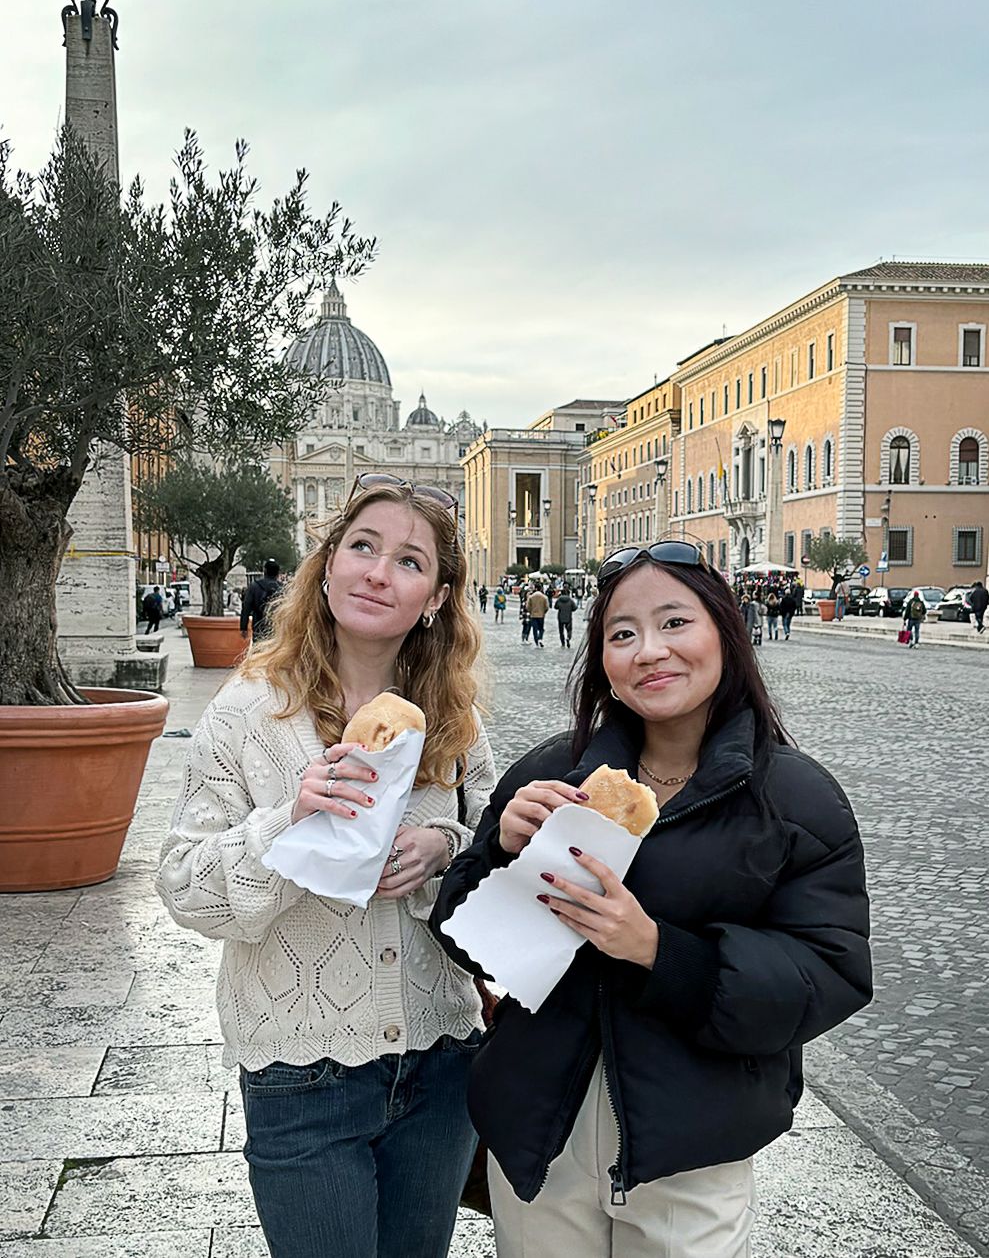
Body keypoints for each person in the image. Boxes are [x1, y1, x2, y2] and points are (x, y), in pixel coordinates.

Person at [432, 539, 871, 1257]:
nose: (649, 651)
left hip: (692, 1149)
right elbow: (457, 932)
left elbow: (829, 974)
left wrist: (658, 950)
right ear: (601, 657)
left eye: (674, 622)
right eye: (622, 634)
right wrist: (498, 853)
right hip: (542, 1132)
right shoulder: (550, 772)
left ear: (724, 631)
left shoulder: (795, 797)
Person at [157, 474, 496, 1258]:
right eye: (362, 547)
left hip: (440, 1059)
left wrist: (442, 847)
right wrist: (291, 820)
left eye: (409, 560)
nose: (379, 572)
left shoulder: (454, 717)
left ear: (437, 595)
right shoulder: (248, 711)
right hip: (298, 1070)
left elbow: (491, 854)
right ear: (329, 562)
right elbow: (183, 888)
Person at [240, 559, 283, 644]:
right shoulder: (282, 588)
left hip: (259, 626)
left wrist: (243, 627)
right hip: (277, 627)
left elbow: (246, 608)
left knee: (259, 651)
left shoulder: (254, 587)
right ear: (278, 573)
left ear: (265, 571)